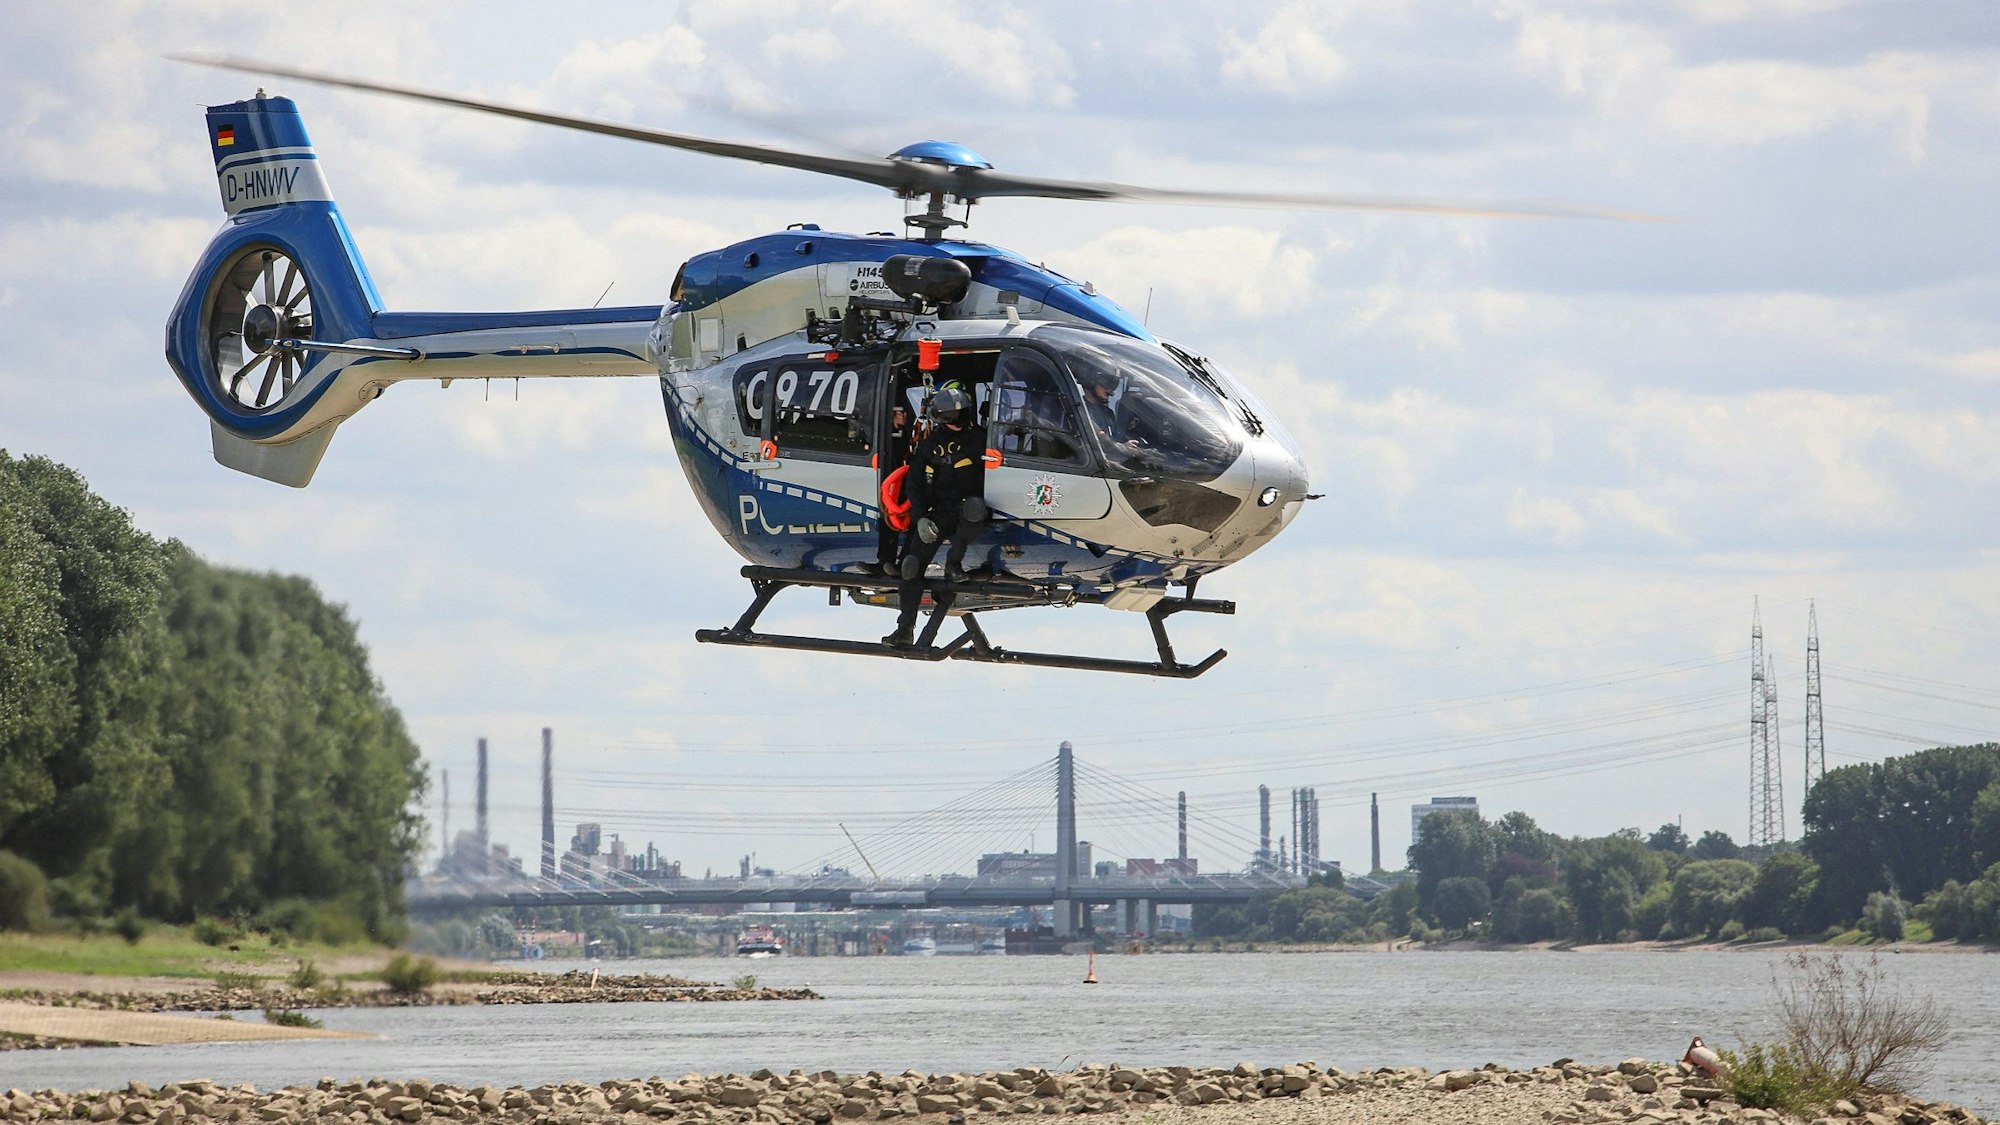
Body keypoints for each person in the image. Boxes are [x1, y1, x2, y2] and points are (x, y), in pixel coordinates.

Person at [883, 385, 988, 648]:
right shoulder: (929, 445)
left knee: (974, 507)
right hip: (937, 515)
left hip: (966, 513)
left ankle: (955, 563)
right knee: (910, 566)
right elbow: (915, 485)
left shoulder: (981, 440)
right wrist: (919, 518)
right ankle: (905, 628)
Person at [868, 403, 912, 575]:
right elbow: (899, 453)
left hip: (928, 484)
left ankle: (905, 564)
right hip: (909, 480)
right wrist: (897, 429)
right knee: (888, 515)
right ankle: (885, 563)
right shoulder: (905, 434)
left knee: (917, 518)